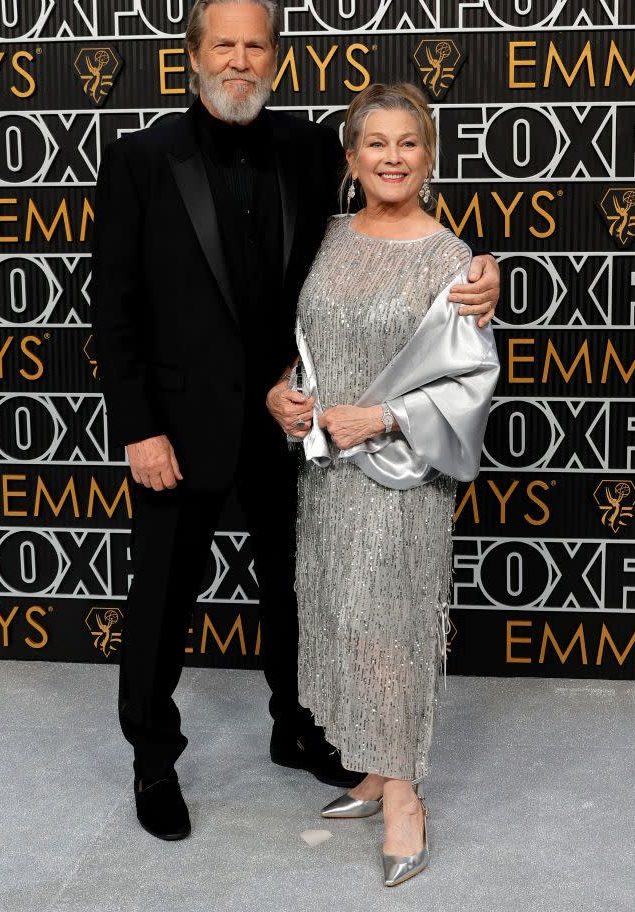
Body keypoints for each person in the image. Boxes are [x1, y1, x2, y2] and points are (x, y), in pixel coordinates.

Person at [92, 0, 501, 842]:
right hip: (180, 425)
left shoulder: (315, 150)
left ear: (274, 59)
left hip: (293, 424)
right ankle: (154, 758)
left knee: (297, 593)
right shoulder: (139, 158)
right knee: (163, 596)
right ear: (194, 55)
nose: (239, 64)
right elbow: (115, 308)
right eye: (223, 48)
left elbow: (386, 235)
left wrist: (477, 279)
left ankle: (298, 726)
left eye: (256, 49)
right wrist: (138, 427)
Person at [272, 83, 500, 887]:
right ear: (350, 158)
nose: (392, 158)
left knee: (393, 626)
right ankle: (371, 767)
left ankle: (404, 795)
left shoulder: (449, 258)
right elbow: (307, 337)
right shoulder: (325, 236)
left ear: (429, 158)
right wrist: (284, 392)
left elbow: (470, 380)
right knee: (344, 617)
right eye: (376, 143)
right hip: (326, 472)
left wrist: (387, 419)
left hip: (401, 479)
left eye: (409, 143)